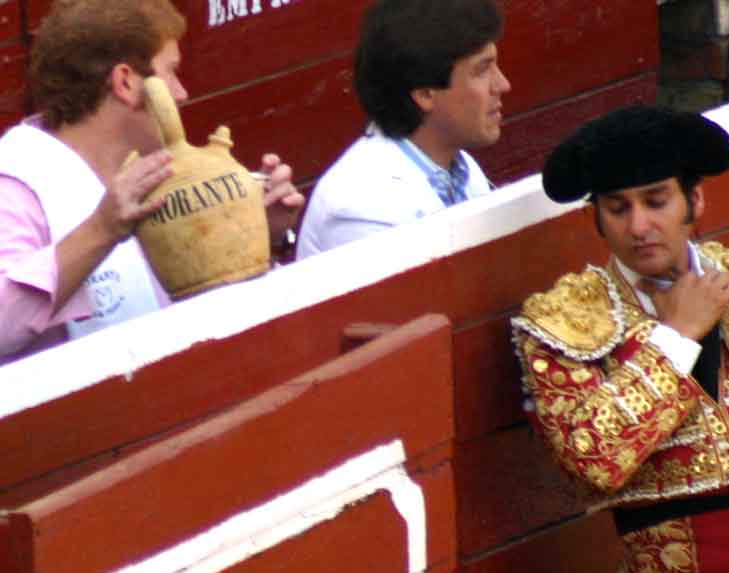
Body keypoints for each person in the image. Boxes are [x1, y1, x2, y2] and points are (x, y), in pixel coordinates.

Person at [512, 104, 729, 573]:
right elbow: (594, 459)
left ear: (695, 199)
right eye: (618, 208)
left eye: (656, 201)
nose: (639, 226)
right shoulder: (565, 323)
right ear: (593, 217)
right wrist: (679, 335)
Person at [0, 0, 305, 365]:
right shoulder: (17, 183)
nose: (182, 94)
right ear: (126, 83)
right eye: (171, 74)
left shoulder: (154, 170)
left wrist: (253, 235)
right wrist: (102, 229)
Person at [296, 0, 511, 258]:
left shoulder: (463, 168)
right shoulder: (362, 205)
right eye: (481, 70)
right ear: (425, 94)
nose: (503, 85)